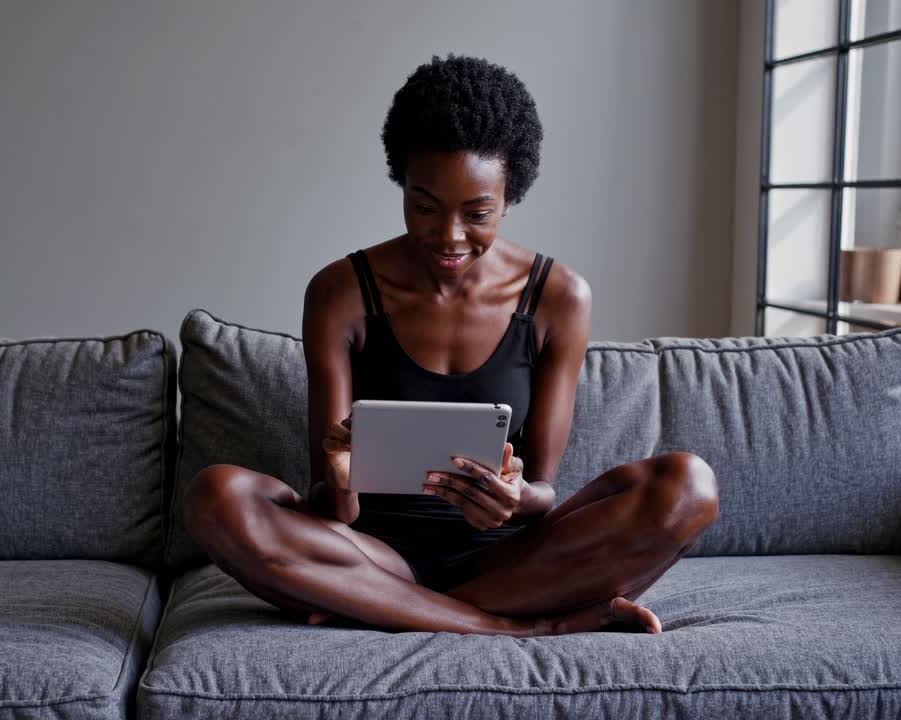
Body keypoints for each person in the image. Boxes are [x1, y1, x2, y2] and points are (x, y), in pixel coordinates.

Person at [185, 55, 719, 637]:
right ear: (402, 185)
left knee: (687, 488)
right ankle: (512, 626)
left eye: (477, 213)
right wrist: (342, 478)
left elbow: (544, 490)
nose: (448, 236)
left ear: (510, 197)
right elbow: (335, 508)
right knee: (216, 496)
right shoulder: (340, 292)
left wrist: (513, 498)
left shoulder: (558, 297)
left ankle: (386, 609)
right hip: (368, 556)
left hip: (506, 558)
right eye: (425, 206)